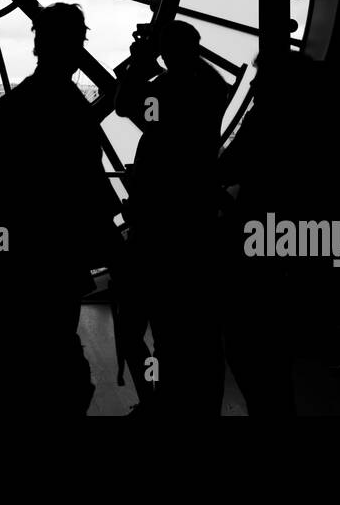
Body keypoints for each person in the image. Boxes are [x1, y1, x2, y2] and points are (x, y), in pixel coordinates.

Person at [0, 2, 123, 416]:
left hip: (23, 257)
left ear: (37, 44)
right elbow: (86, 181)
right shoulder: (72, 110)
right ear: (77, 45)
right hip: (62, 253)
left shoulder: (11, 109)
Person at [114, 20, 232, 414]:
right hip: (188, 222)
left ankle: (157, 398)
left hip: (156, 225)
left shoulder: (170, 88)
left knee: (138, 326)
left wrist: (139, 62)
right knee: (181, 329)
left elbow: (125, 104)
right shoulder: (206, 87)